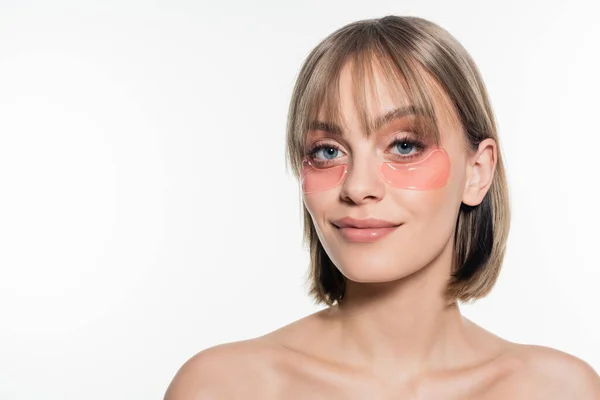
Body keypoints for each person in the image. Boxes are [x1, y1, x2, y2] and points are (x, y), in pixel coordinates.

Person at [165, 15, 600, 399]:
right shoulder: (221, 388)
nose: (358, 187)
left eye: (404, 145)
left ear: (477, 171)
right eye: (328, 151)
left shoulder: (560, 390)